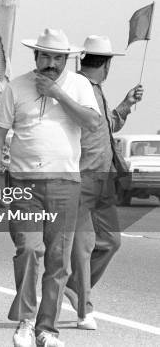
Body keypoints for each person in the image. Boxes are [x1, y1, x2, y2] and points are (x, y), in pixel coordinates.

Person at [0, 28, 101, 347]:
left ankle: (46, 329)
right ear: (35, 56)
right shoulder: (16, 86)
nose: (51, 63)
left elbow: (92, 123)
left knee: (58, 258)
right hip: (23, 184)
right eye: (46, 56)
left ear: (67, 59)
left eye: (58, 58)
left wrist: (57, 94)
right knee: (28, 249)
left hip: (66, 184)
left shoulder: (78, 86)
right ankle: (25, 320)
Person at [64, 35, 144, 330]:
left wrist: (124, 105)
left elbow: (103, 126)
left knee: (110, 241)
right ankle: (84, 307)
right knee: (83, 246)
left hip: (103, 180)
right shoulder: (77, 88)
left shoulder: (95, 89)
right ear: (107, 64)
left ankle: (72, 287)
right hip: (82, 178)